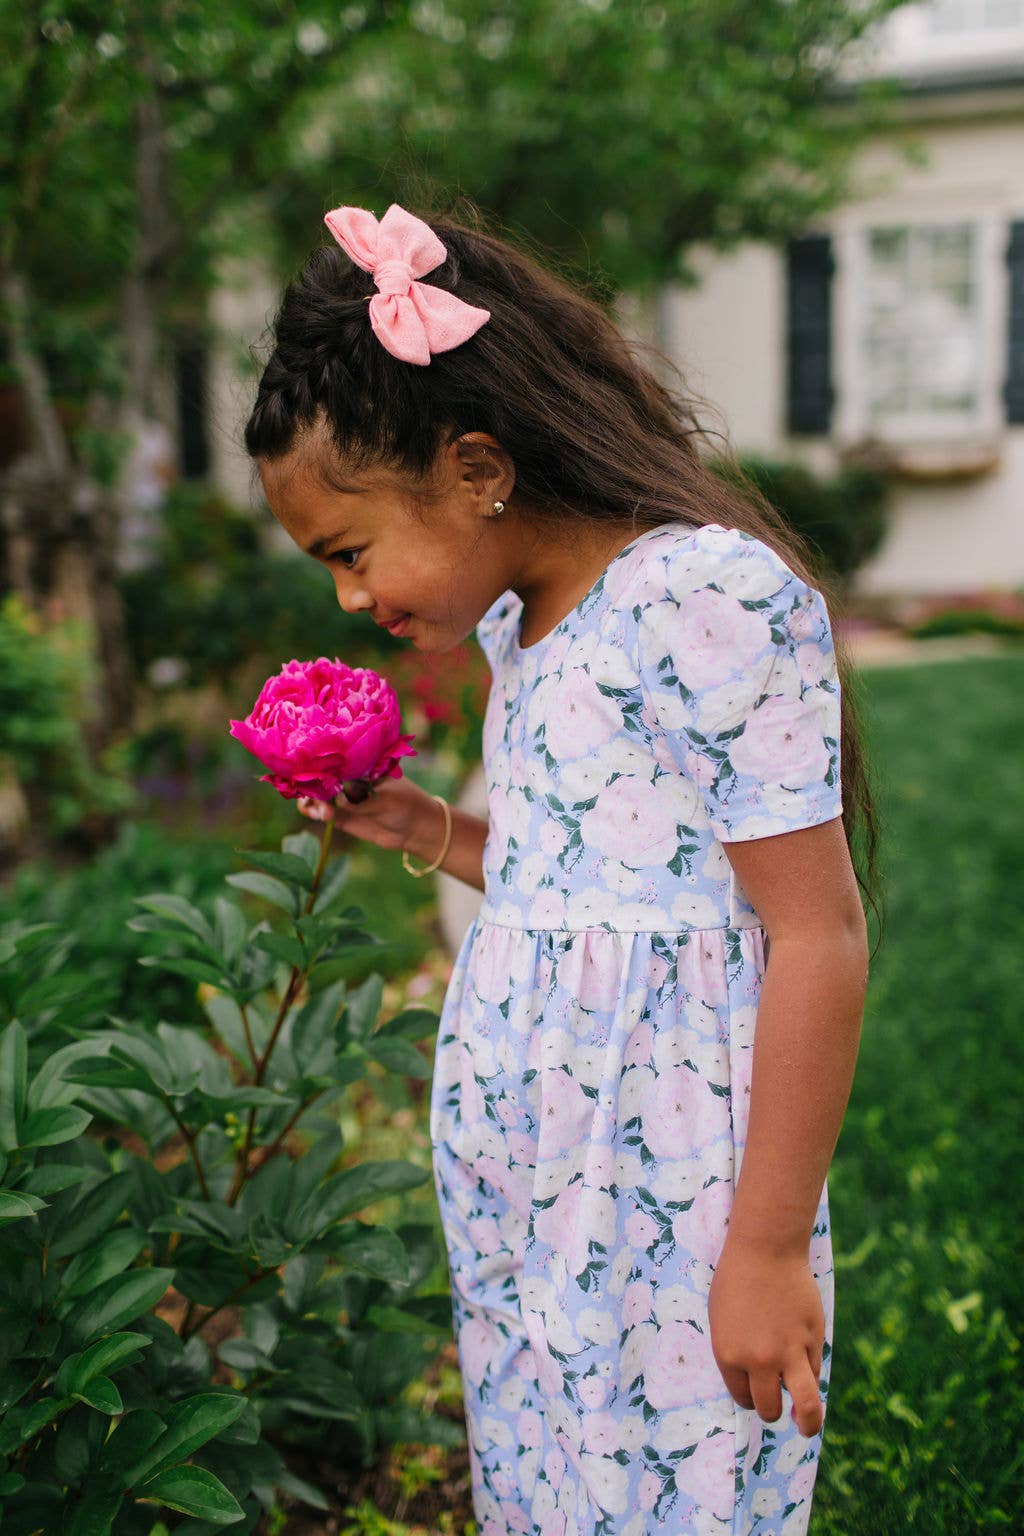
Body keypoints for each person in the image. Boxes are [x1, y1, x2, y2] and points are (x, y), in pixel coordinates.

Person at [245, 201, 879, 1536]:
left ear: (477, 468)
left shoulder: (700, 597)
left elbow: (815, 933)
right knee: (548, 1481)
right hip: (530, 1182)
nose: (349, 599)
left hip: (666, 1188)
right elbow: (583, 883)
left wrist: (765, 1247)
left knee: (669, 1486)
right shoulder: (519, 629)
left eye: (349, 553)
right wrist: (427, 829)